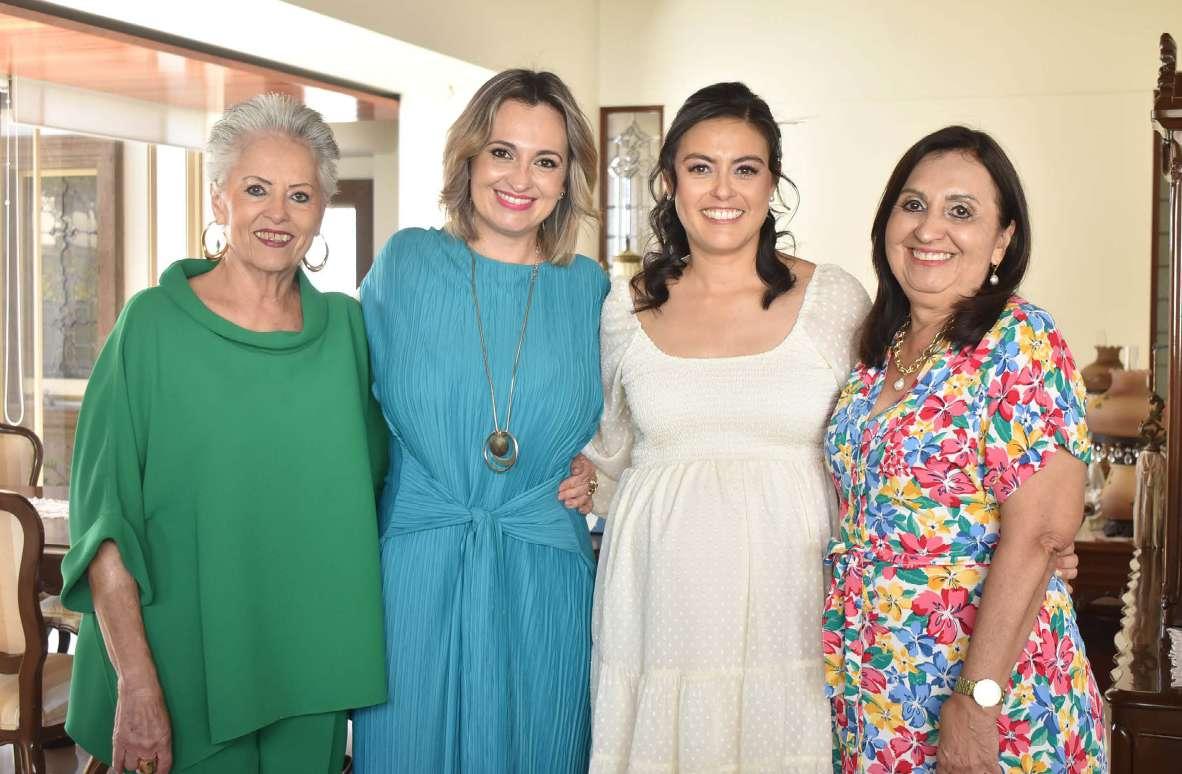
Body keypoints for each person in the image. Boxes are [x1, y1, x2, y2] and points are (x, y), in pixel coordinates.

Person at [60, 94, 388, 774]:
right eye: (256, 189)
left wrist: (571, 466)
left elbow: (396, 475)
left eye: (300, 195)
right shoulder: (151, 328)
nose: (278, 213)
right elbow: (104, 529)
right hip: (179, 670)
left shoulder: (348, 335)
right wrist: (137, 685)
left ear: (321, 209)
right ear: (219, 199)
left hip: (311, 672)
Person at [582, 81, 870, 773]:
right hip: (660, 602)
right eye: (700, 167)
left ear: (772, 182)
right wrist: (575, 474)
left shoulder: (833, 298)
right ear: (669, 181)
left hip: (794, 601)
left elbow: (881, 450)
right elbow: (606, 452)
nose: (723, 190)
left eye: (745, 168)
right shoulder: (625, 306)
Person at [823, 126, 1106, 772]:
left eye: (961, 211)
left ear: (1003, 239)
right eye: (913, 204)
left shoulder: (1019, 340)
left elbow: (1042, 535)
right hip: (874, 698)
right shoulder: (877, 352)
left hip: (995, 695)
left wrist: (977, 704)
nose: (930, 229)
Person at [350, 69, 605, 773]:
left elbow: (639, 416)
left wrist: (597, 466)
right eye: (502, 152)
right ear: (468, 157)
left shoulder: (590, 289)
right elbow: (343, 407)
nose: (520, 178)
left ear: (567, 179)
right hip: (417, 569)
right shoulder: (405, 265)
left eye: (545, 160)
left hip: (544, 573)